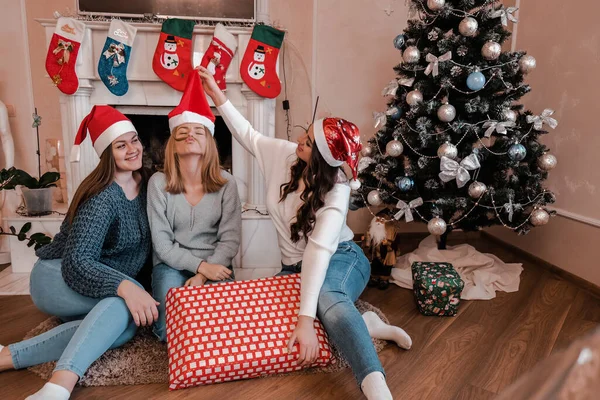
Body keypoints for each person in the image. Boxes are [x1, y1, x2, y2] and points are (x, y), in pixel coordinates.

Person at [197, 66, 411, 400]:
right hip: (293, 268)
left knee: (328, 302)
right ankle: (366, 325)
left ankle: (376, 386)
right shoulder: (284, 154)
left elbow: (316, 253)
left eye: (308, 142)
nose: (299, 140)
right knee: (269, 324)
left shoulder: (337, 193)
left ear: (324, 159)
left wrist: (305, 320)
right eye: (305, 134)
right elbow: (249, 135)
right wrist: (216, 95)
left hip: (341, 258)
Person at [0, 106, 154, 400]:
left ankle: (7, 356)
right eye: (121, 145)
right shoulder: (102, 196)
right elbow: (78, 262)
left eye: (134, 140)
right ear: (107, 153)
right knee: (122, 307)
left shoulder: (147, 184)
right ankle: (59, 385)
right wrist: (125, 287)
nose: (132, 149)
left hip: (98, 275)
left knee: (121, 330)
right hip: (57, 275)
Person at [148, 71, 241, 342]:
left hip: (216, 263)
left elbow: (230, 239)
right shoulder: (158, 183)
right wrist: (199, 266)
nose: (190, 135)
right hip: (170, 264)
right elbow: (162, 245)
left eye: (198, 131)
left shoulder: (227, 183)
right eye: (183, 132)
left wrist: (204, 273)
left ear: (209, 141)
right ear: (172, 146)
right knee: (169, 331)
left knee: (226, 328)